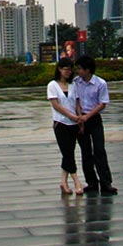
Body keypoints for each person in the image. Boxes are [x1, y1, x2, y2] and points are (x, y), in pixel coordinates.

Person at [74, 54, 117, 195]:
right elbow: (77, 100)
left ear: (88, 70)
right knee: (86, 152)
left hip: (94, 119)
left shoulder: (100, 83)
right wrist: (80, 117)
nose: (78, 71)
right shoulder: (76, 82)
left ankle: (106, 183)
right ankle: (91, 182)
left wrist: (88, 116)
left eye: (80, 69)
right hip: (81, 120)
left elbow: (102, 103)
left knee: (99, 150)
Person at [46, 58, 84, 196]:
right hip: (60, 123)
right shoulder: (52, 85)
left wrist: (79, 118)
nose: (67, 72)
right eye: (65, 69)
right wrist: (71, 116)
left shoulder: (73, 85)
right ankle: (77, 182)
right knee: (67, 153)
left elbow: (77, 103)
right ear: (59, 69)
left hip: (74, 123)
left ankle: (63, 181)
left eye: (70, 69)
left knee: (68, 153)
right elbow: (56, 105)